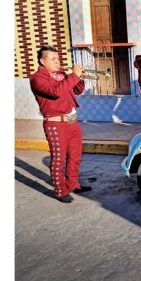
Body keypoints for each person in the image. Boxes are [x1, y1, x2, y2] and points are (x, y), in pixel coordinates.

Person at [29, 45, 92, 203]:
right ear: (42, 61)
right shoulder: (38, 78)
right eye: (53, 59)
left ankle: (73, 184)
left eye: (58, 58)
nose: (57, 61)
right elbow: (56, 91)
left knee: (75, 156)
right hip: (56, 124)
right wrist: (73, 76)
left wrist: (79, 77)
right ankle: (60, 191)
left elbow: (77, 91)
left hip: (73, 122)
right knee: (59, 159)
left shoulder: (62, 74)